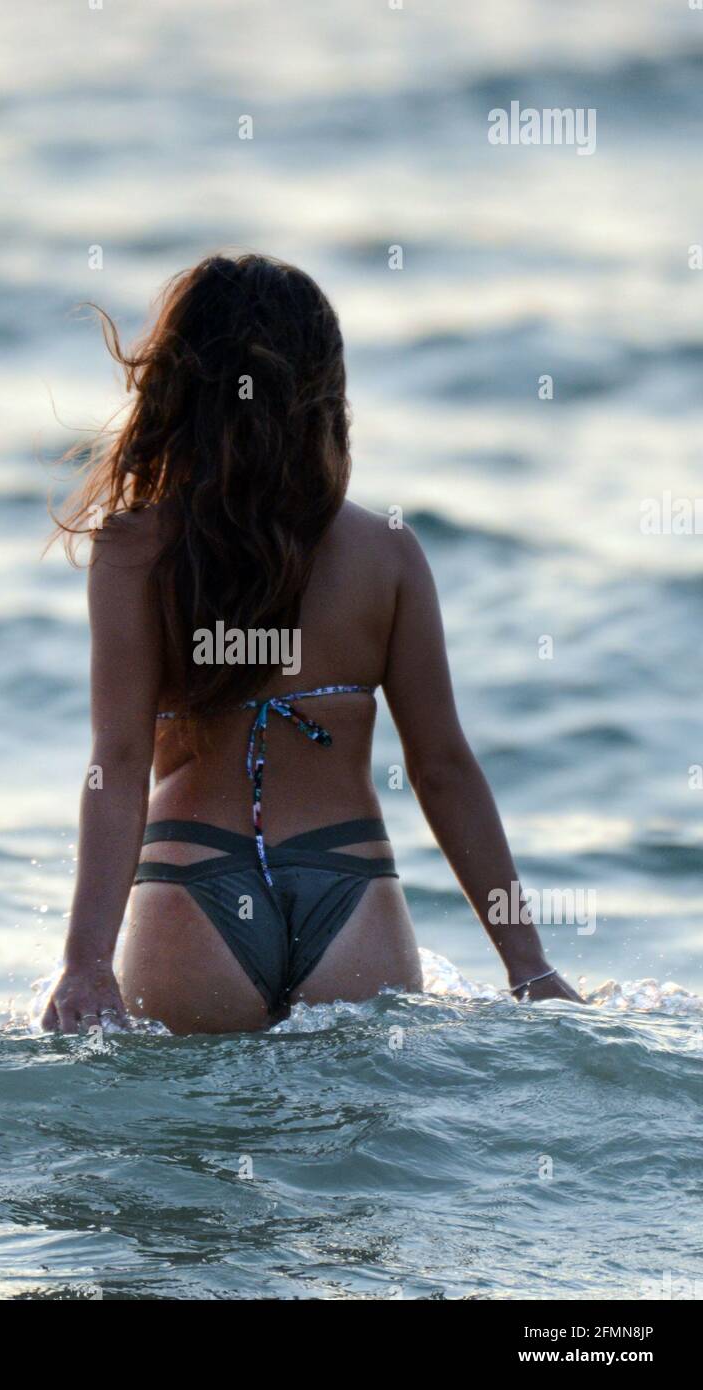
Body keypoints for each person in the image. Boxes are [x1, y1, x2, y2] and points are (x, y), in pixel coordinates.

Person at [43, 253, 580, 1035]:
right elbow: (443, 766)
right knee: (351, 1156)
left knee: (187, 1152)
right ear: (325, 395)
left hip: (194, 895)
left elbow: (118, 762)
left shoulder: (135, 552)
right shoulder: (388, 553)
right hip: (354, 902)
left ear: (176, 390)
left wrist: (86, 963)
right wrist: (528, 964)